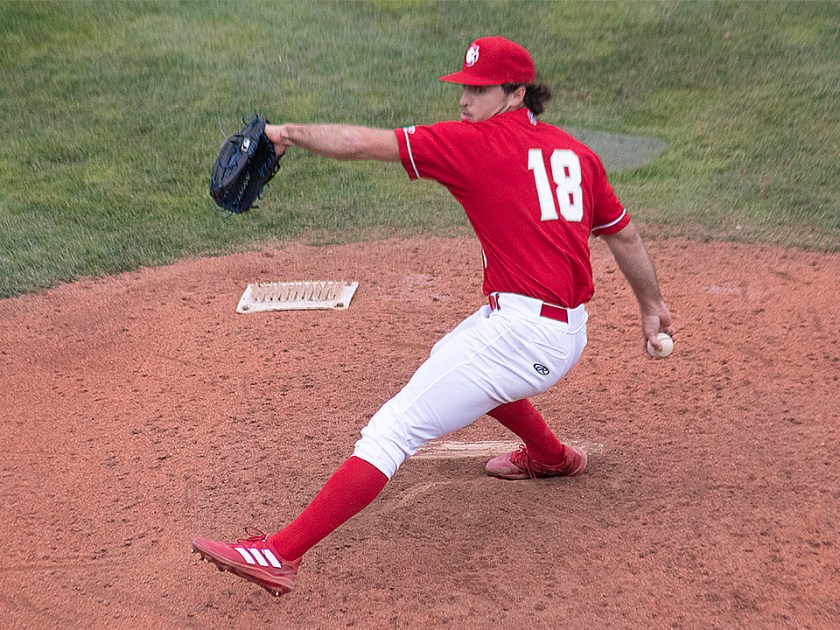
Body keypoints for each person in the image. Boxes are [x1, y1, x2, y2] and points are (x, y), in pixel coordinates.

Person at [192, 36, 675, 597]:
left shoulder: (473, 145)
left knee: (392, 429)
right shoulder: (577, 154)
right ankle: (551, 457)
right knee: (456, 362)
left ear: (517, 93)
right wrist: (652, 306)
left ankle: (279, 554)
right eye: (463, 88)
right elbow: (624, 234)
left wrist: (283, 135)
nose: (465, 100)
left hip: (522, 335)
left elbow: (359, 142)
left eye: (479, 90)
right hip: (561, 331)